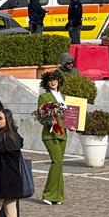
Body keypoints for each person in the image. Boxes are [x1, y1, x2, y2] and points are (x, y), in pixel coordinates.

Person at [37, 72, 67, 205]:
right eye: (49, 81)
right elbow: (41, 116)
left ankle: (59, 196)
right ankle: (48, 194)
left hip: (63, 134)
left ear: (59, 81)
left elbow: (70, 116)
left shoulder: (65, 97)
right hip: (50, 134)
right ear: (46, 83)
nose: (52, 82)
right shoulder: (44, 97)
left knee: (60, 164)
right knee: (57, 161)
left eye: (54, 80)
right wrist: (50, 119)